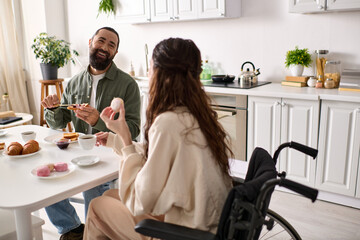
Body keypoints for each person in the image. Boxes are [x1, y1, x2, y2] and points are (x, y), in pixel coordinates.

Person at [83, 38, 234, 240]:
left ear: (161, 75)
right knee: (110, 195)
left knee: (97, 206)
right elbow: (159, 158)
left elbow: (139, 199)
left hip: (186, 233)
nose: (148, 74)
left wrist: (126, 142)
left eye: (151, 68)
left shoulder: (168, 122)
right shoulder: (196, 113)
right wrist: (117, 139)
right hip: (205, 219)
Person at [41, 26, 141, 240]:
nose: (105, 47)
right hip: (78, 154)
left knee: (93, 190)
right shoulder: (74, 82)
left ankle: (94, 234)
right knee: (45, 181)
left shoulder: (128, 84)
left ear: (115, 53)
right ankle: (71, 229)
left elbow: (133, 130)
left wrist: (99, 122)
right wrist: (51, 110)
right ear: (91, 42)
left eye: (111, 45)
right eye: (101, 41)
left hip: (111, 157)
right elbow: (60, 121)